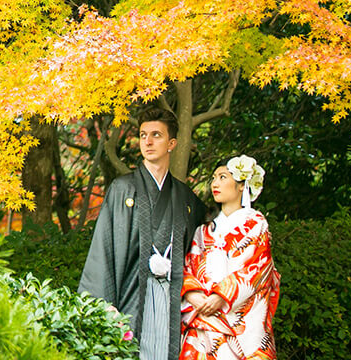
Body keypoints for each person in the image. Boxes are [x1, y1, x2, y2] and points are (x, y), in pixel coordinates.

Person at [79, 106, 207, 360]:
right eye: (143, 134)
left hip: (172, 301)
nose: (147, 141)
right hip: (133, 299)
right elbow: (103, 251)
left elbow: (199, 257)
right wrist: (102, 308)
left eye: (156, 135)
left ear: (172, 143)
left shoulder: (186, 198)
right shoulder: (122, 189)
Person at [179, 155, 280, 360]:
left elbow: (257, 270)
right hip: (203, 320)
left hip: (241, 320)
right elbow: (189, 267)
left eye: (223, 177)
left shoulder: (256, 224)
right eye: (214, 178)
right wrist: (193, 295)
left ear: (242, 185)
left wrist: (221, 296)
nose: (215, 183)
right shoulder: (203, 231)